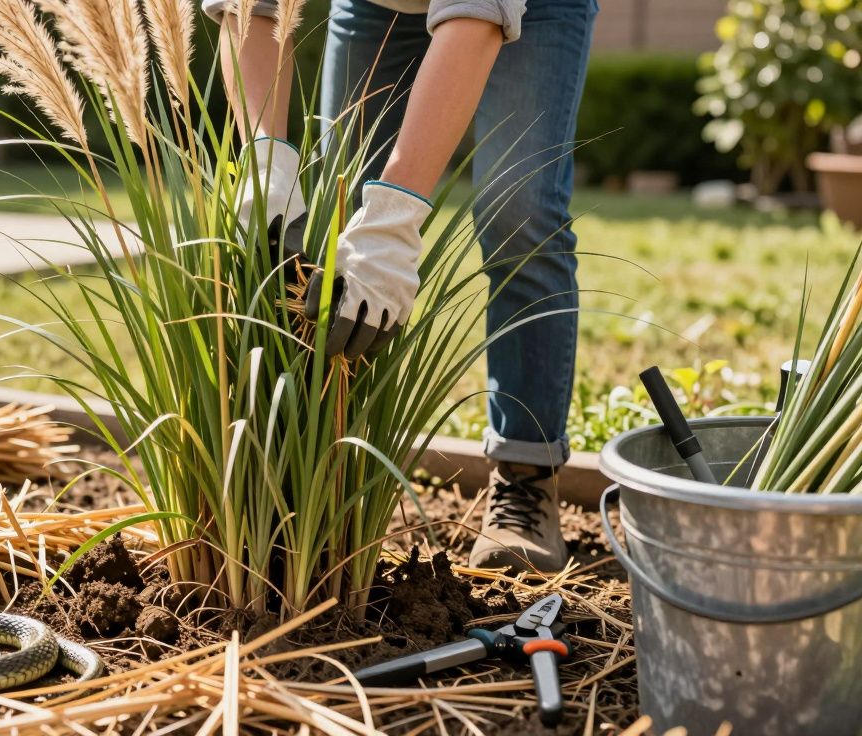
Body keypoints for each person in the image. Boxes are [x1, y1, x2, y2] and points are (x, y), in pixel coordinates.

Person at [205, 0, 598, 572]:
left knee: (518, 211)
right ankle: (335, 473)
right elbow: (249, 10)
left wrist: (395, 219)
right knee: (341, 196)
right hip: (376, 8)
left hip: (525, 7)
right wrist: (266, 158)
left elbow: (477, 13)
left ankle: (526, 475)